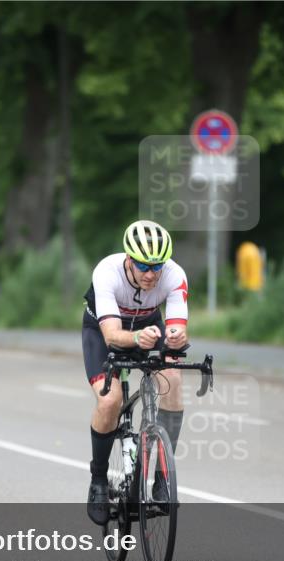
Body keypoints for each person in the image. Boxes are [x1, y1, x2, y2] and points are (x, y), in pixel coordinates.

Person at [82, 220, 189, 525]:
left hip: (148, 328)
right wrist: (138, 338)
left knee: (173, 378)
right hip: (104, 332)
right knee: (109, 400)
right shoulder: (107, 271)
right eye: (143, 265)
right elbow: (112, 335)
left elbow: (177, 327)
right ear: (128, 259)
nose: (151, 273)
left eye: (157, 265)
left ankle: (160, 480)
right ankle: (99, 481)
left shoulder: (175, 275)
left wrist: (176, 337)